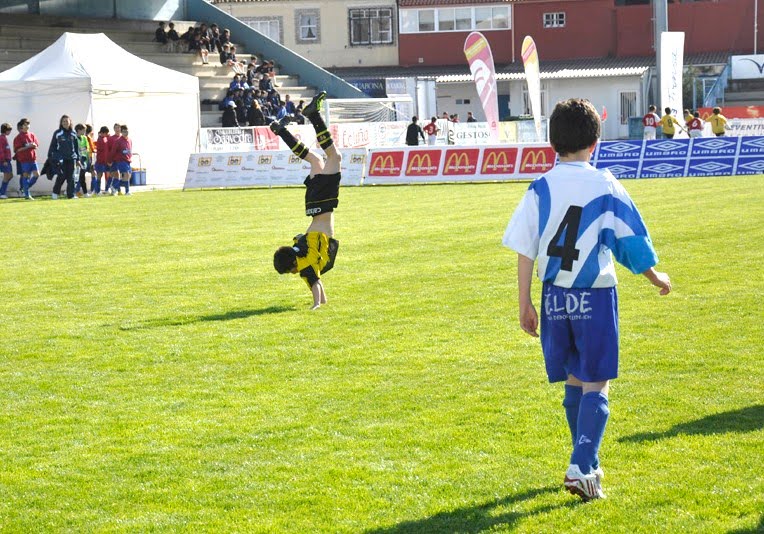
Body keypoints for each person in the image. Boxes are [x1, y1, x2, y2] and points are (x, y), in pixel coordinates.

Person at [502, 98, 671, 502]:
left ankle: (588, 463)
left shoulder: (539, 187)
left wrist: (524, 302)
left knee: (575, 378)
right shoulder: (604, 183)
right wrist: (653, 275)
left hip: (554, 296)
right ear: (595, 142)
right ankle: (581, 465)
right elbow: (629, 241)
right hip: (594, 297)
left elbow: (525, 248)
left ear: (551, 142)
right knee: (598, 380)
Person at [270, 91, 341, 310]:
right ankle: (280, 130)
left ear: (292, 265)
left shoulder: (305, 263)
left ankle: (314, 116)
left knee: (334, 158)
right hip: (312, 203)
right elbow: (314, 279)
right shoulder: (299, 249)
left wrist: (316, 304)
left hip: (323, 202)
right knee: (315, 159)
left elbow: (314, 281)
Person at [49, 114, 81, 200]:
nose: (65, 123)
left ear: (70, 122)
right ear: (61, 123)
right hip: (61, 159)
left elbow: (76, 148)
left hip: (72, 159)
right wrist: (54, 158)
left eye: (67, 121)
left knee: (71, 177)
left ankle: (70, 195)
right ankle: (55, 193)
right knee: (61, 176)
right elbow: (53, 147)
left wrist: (78, 159)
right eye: (63, 121)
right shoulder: (57, 133)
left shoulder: (74, 134)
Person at [13, 118, 40, 200]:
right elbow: (17, 150)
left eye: (28, 124)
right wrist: (28, 146)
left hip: (33, 159)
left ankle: (25, 188)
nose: (27, 126)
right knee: (26, 176)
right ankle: (27, 195)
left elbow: (36, 145)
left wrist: (34, 145)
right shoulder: (18, 137)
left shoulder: (32, 135)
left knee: (37, 174)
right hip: (24, 160)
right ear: (21, 126)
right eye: (25, 125)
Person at [109, 124, 132, 196]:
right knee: (126, 174)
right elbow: (113, 151)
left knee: (128, 176)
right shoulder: (118, 141)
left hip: (128, 161)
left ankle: (114, 186)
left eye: (127, 131)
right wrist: (110, 160)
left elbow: (129, 150)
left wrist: (130, 157)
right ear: (121, 132)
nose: (126, 133)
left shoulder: (130, 140)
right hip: (121, 160)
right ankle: (127, 191)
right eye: (124, 131)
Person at [74, 123, 90, 197]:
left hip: (83, 159)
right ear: (78, 130)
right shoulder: (74, 138)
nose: (85, 131)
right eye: (83, 130)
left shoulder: (85, 138)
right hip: (76, 160)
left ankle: (85, 193)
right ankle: (73, 192)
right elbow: (75, 149)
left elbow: (87, 148)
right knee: (75, 178)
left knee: (82, 177)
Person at [94, 126, 111, 195]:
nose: (107, 134)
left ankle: (107, 189)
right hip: (100, 161)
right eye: (106, 133)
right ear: (103, 133)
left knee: (108, 175)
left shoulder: (104, 138)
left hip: (106, 161)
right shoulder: (100, 139)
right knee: (99, 175)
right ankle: (97, 191)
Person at [107, 123, 122, 194]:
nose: (117, 129)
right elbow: (108, 150)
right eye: (116, 128)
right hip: (114, 160)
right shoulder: (111, 138)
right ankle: (111, 188)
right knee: (114, 174)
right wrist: (109, 160)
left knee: (117, 174)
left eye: (118, 128)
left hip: (122, 160)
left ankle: (117, 190)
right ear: (114, 129)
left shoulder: (123, 138)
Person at [0, 123, 13, 199]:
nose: (10, 132)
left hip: (8, 160)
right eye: (9, 130)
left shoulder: (4, 137)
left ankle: (1, 191)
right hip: (4, 161)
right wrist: (3, 160)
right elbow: (0, 150)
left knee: (10, 175)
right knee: (7, 176)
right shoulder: (1, 138)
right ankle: (2, 193)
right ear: (5, 130)